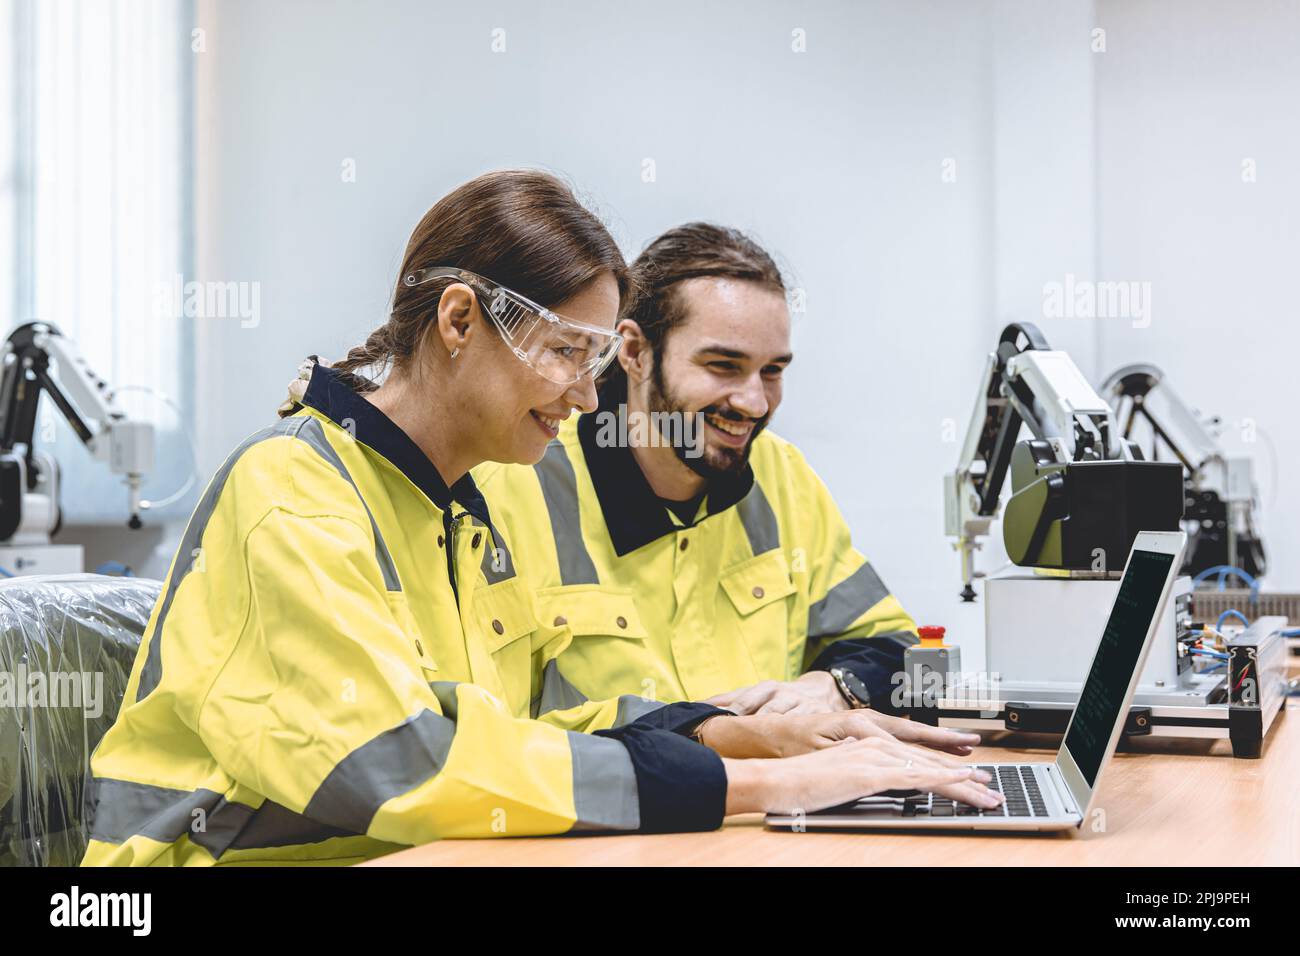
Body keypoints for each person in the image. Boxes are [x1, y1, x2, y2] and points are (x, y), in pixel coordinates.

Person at [83, 172, 999, 866]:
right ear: (457, 322)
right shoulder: (292, 495)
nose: (588, 392)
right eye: (567, 351)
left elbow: (522, 731)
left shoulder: (457, 510)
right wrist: (769, 783)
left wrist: (734, 725)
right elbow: (405, 766)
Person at [476, 223, 920, 718]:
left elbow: (892, 645)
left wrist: (835, 687)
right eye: (723, 366)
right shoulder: (511, 489)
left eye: (772, 371)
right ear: (634, 352)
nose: (754, 402)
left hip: (790, 795)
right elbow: (490, 738)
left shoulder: (781, 473)